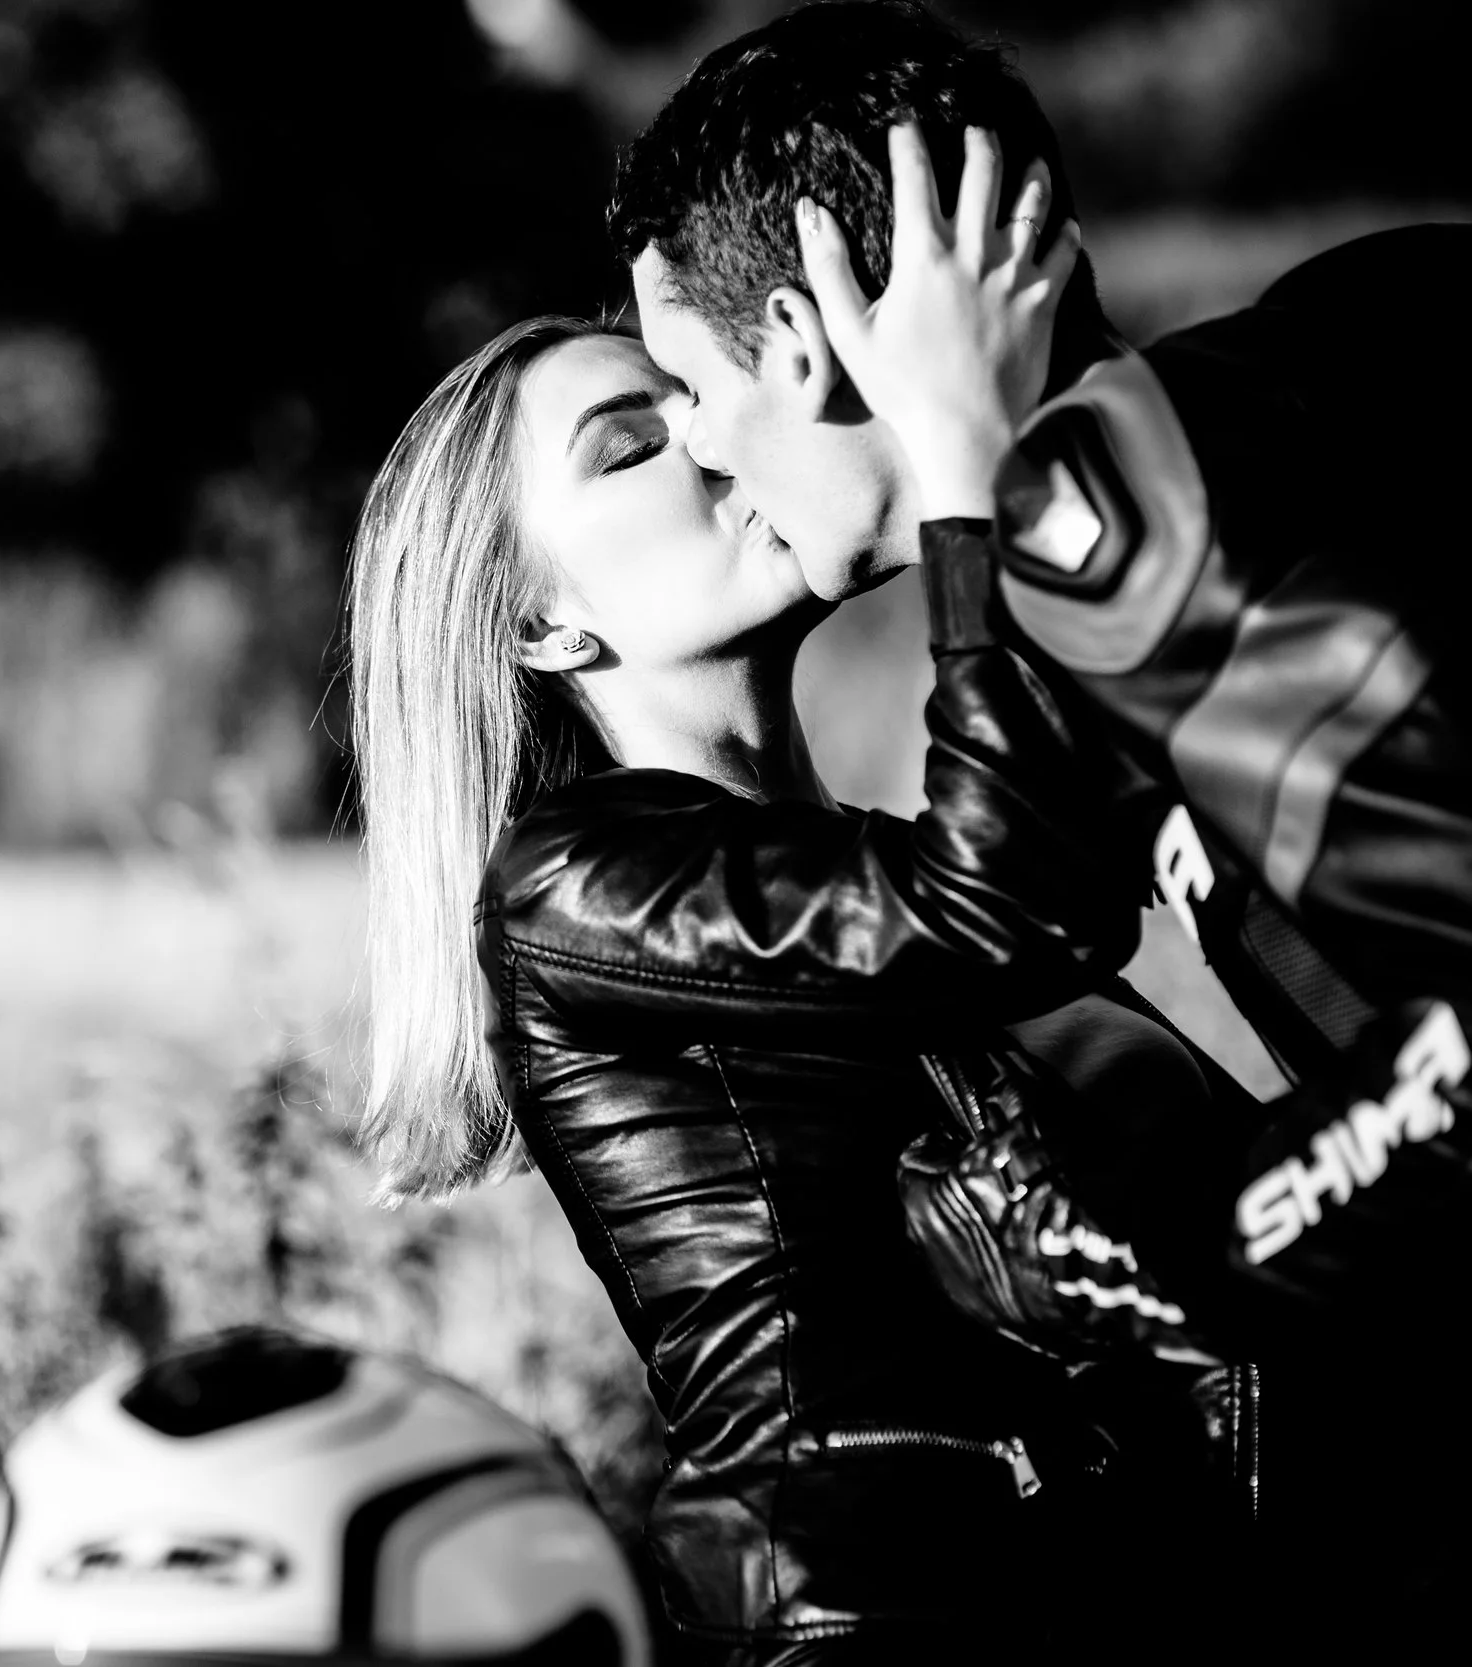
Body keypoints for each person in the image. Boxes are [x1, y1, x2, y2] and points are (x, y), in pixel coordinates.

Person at [604, 0, 1472, 1643]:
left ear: (800, 342)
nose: (703, 448)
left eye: (688, 387)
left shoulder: (1101, 523)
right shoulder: (1346, 330)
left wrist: (1179, 1251)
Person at [344, 244, 1250, 1658]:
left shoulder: (881, 873)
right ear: (541, 624)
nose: (712, 444)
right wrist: (964, 465)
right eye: (630, 448)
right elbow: (1005, 894)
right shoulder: (571, 887)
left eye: (699, 401)